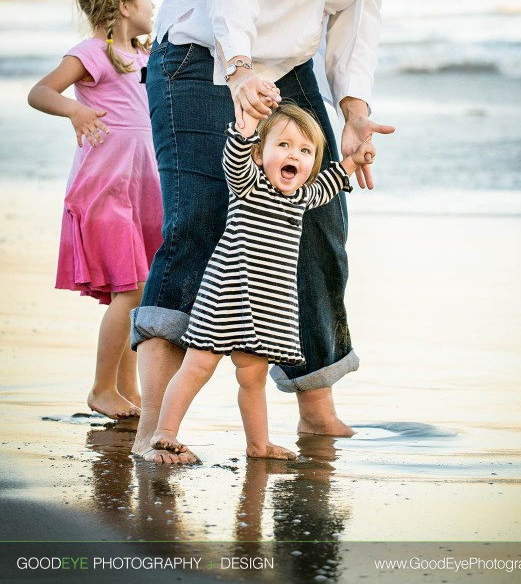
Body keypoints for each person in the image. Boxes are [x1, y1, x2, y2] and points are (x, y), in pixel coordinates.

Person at [131, 0, 431, 463]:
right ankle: (155, 427)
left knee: (321, 218)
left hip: (287, 64)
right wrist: (238, 71)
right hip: (203, 55)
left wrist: (353, 111)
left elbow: (360, 17)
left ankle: (317, 405)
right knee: (201, 221)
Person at [149, 103, 377, 461]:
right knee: (198, 367)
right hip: (225, 296)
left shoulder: (302, 198)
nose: (294, 156)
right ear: (260, 153)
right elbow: (235, 161)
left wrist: (354, 161)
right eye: (283, 145)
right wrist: (246, 127)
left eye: (305, 151)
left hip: (269, 310)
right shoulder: (249, 187)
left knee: (252, 379)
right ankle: (164, 432)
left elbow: (330, 183)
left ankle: (258, 445)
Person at [28, 0, 162, 419]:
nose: (153, 5)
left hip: (144, 186)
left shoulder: (147, 56)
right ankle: (102, 387)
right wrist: (76, 112)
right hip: (105, 185)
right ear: (125, 4)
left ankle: (127, 389)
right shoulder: (91, 53)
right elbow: (41, 92)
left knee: (140, 289)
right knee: (130, 290)